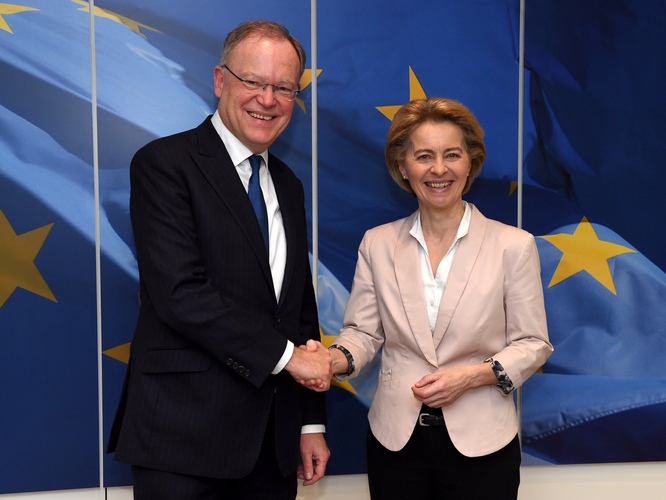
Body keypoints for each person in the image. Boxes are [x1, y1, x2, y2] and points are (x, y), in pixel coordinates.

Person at [107, 20, 332, 500]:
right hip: (181, 441)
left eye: (284, 87)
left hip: (271, 444)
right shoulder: (164, 164)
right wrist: (290, 359)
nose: (267, 99)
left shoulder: (289, 185)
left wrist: (309, 423)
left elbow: (297, 308)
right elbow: (180, 294)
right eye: (253, 81)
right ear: (219, 80)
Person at [328, 97, 553, 499]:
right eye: (424, 156)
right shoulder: (377, 243)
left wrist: (471, 376)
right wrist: (331, 360)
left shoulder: (513, 245)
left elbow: (533, 343)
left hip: (483, 444)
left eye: (452, 154)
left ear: (470, 163)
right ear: (403, 167)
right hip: (394, 443)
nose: (439, 169)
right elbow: (362, 333)